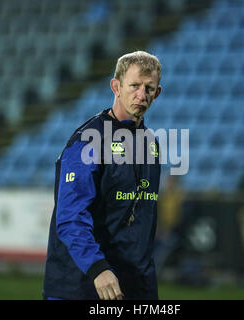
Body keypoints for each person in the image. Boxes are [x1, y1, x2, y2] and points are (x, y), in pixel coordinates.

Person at [43, 51, 162, 300]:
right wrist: (98, 268)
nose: (142, 95)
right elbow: (70, 218)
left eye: (149, 88)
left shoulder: (151, 144)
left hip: (134, 286)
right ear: (116, 86)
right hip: (82, 285)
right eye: (134, 86)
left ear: (157, 92)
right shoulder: (89, 141)